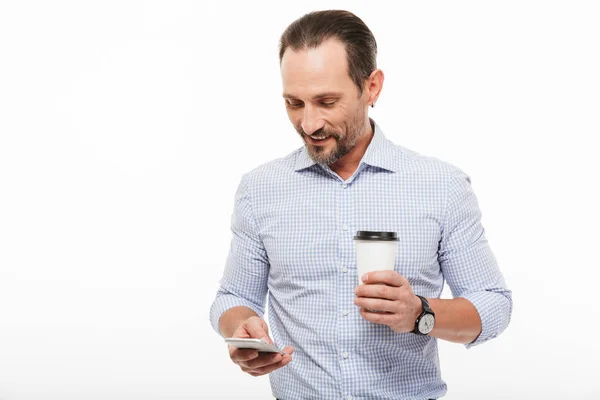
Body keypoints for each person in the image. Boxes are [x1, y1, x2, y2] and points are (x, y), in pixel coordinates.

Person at [209, 9, 512, 400]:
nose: (309, 124)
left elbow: (493, 305)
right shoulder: (259, 189)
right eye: (294, 103)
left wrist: (420, 313)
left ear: (372, 87)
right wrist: (242, 328)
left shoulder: (442, 186)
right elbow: (234, 298)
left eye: (327, 101)